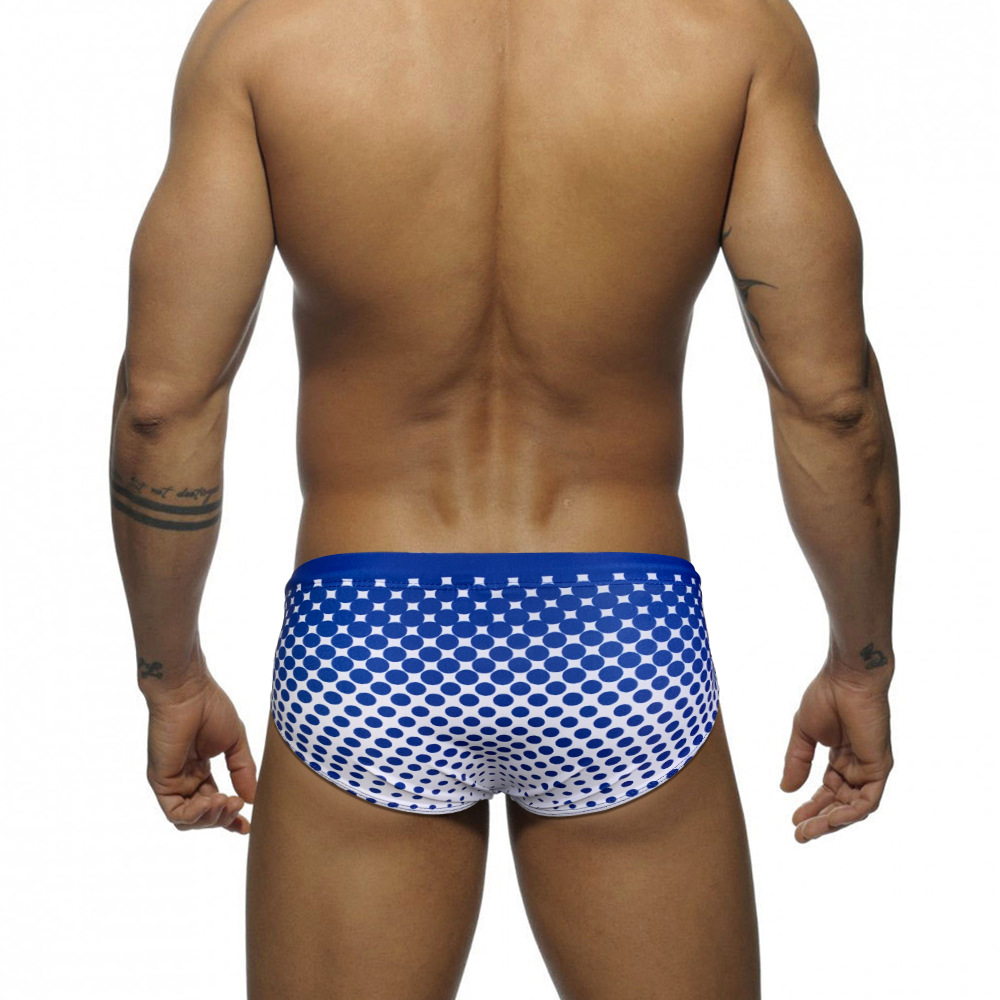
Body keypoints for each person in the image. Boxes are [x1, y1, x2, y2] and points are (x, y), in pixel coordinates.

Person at [109, 0, 899, 997]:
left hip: (370, 637)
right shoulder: (731, 30)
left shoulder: (265, 31)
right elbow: (830, 399)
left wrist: (171, 677)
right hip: (617, 638)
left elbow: (163, 404)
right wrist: (860, 661)